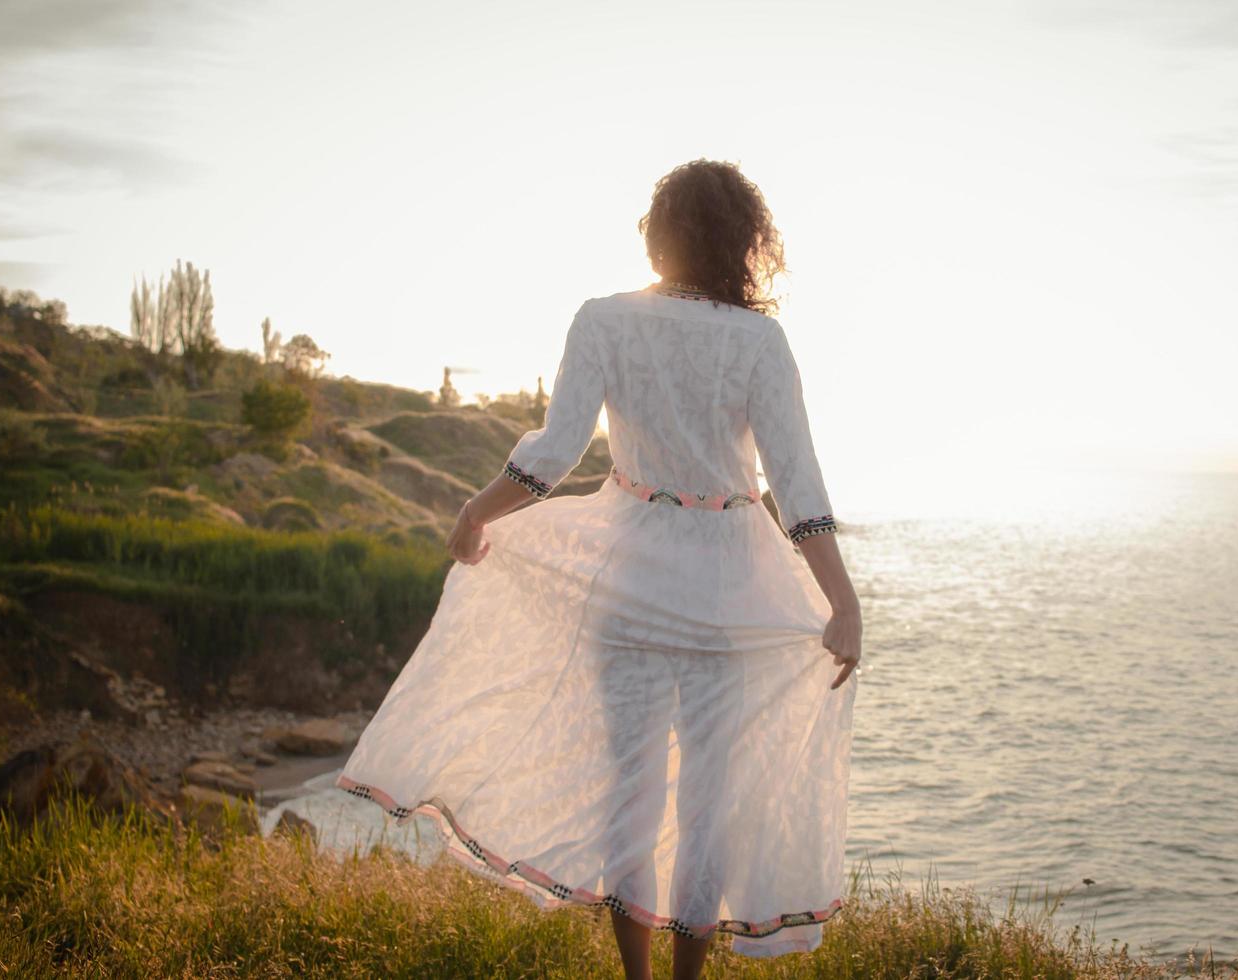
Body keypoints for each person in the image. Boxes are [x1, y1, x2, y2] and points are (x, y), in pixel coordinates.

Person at [336, 158, 862, 980]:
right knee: (709, 811)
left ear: (659, 239)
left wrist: (478, 510)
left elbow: (552, 455)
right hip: (733, 583)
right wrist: (843, 600)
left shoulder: (604, 319)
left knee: (632, 798)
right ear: (741, 241)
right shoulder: (761, 341)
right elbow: (797, 484)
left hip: (628, 578)